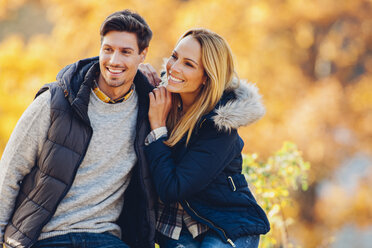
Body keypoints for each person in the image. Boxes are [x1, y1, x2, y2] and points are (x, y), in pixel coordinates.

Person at [0, 9, 158, 248]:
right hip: (45, 237)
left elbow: (195, 83)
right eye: (108, 49)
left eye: (126, 52)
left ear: (142, 55)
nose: (114, 61)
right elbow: (10, 171)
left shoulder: (150, 106)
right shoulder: (55, 102)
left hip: (105, 238)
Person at [145, 28, 270, 248]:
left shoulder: (220, 127)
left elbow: (173, 188)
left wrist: (157, 129)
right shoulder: (160, 99)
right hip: (175, 227)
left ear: (206, 77)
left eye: (189, 64)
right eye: (174, 56)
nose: (174, 67)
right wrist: (138, 74)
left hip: (226, 225)